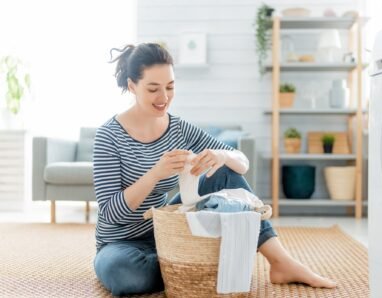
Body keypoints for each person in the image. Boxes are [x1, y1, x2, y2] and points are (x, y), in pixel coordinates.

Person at [92, 43, 336, 296]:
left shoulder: (178, 128)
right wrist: (154, 174)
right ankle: (189, 262)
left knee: (223, 169)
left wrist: (221, 154)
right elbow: (111, 214)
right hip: (119, 244)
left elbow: (241, 163)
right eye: (153, 89)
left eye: (170, 87)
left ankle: (280, 261)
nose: (164, 98)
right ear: (132, 86)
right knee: (126, 275)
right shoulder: (108, 136)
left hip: (165, 230)